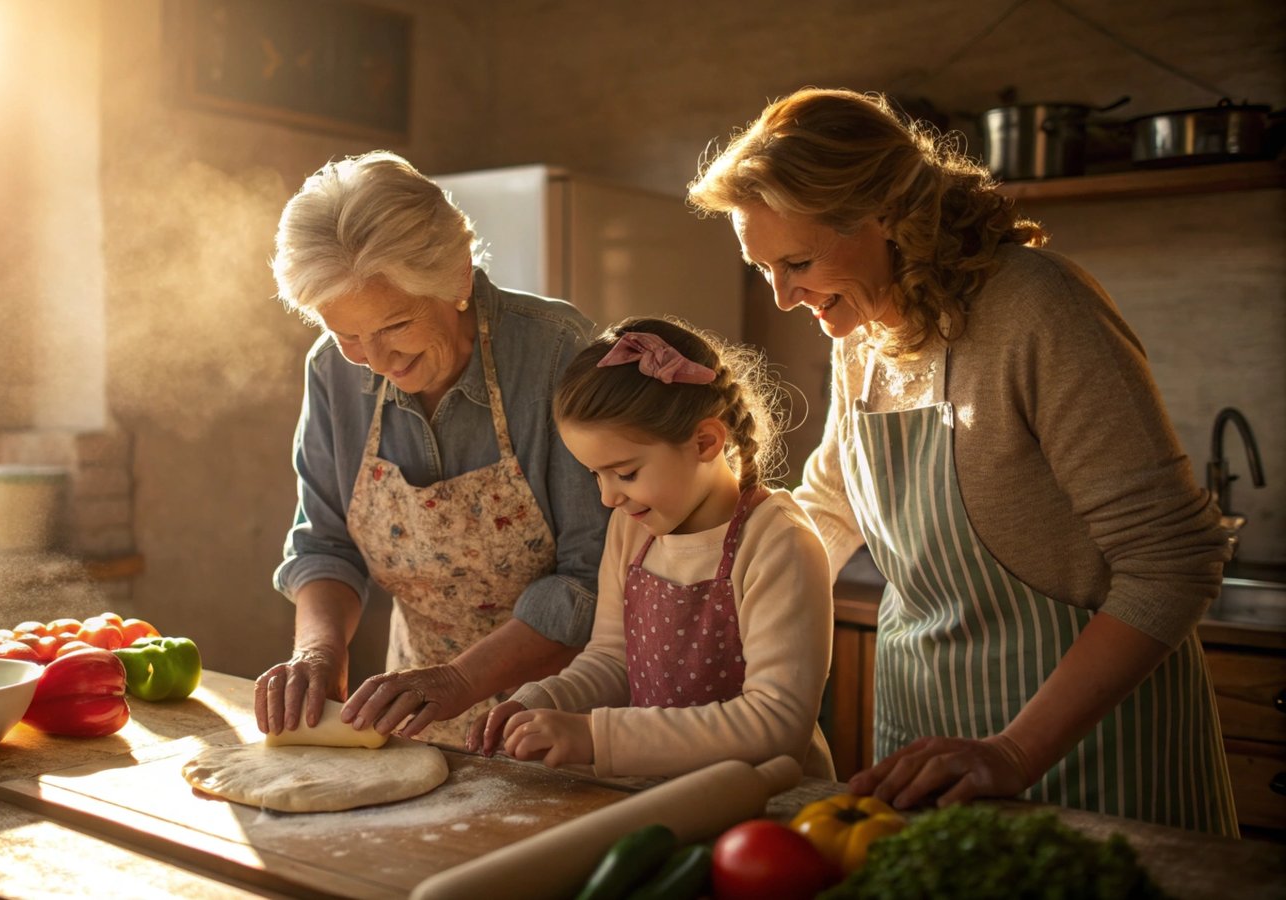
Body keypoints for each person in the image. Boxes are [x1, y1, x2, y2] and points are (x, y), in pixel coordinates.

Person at [687, 88, 1237, 834]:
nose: (783, 297)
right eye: (764, 268)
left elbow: (1174, 561)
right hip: (928, 748)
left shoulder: (1036, 308)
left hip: (1087, 756)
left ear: (885, 217)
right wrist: (702, 584)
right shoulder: (861, 335)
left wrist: (1013, 751)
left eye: (800, 261)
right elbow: (827, 508)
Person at [257, 150, 608, 747]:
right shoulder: (333, 373)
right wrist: (318, 652)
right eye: (346, 334)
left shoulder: (554, 352)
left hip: (560, 717)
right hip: (416, 713)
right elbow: (325, 543)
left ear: (458, 275)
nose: (376, 360)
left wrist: (459, 679)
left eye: (395, 325)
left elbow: (590, 578)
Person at [469, 317, 836, 780]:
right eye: (594, 474)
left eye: (625, 473)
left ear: (705, 441)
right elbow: (610, 660)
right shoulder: (633, 529)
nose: (608, 498)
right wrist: (540, 701)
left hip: (767, 808)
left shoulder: (778, 543)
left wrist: (594, 737)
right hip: (661, 798)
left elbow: (776, 723)